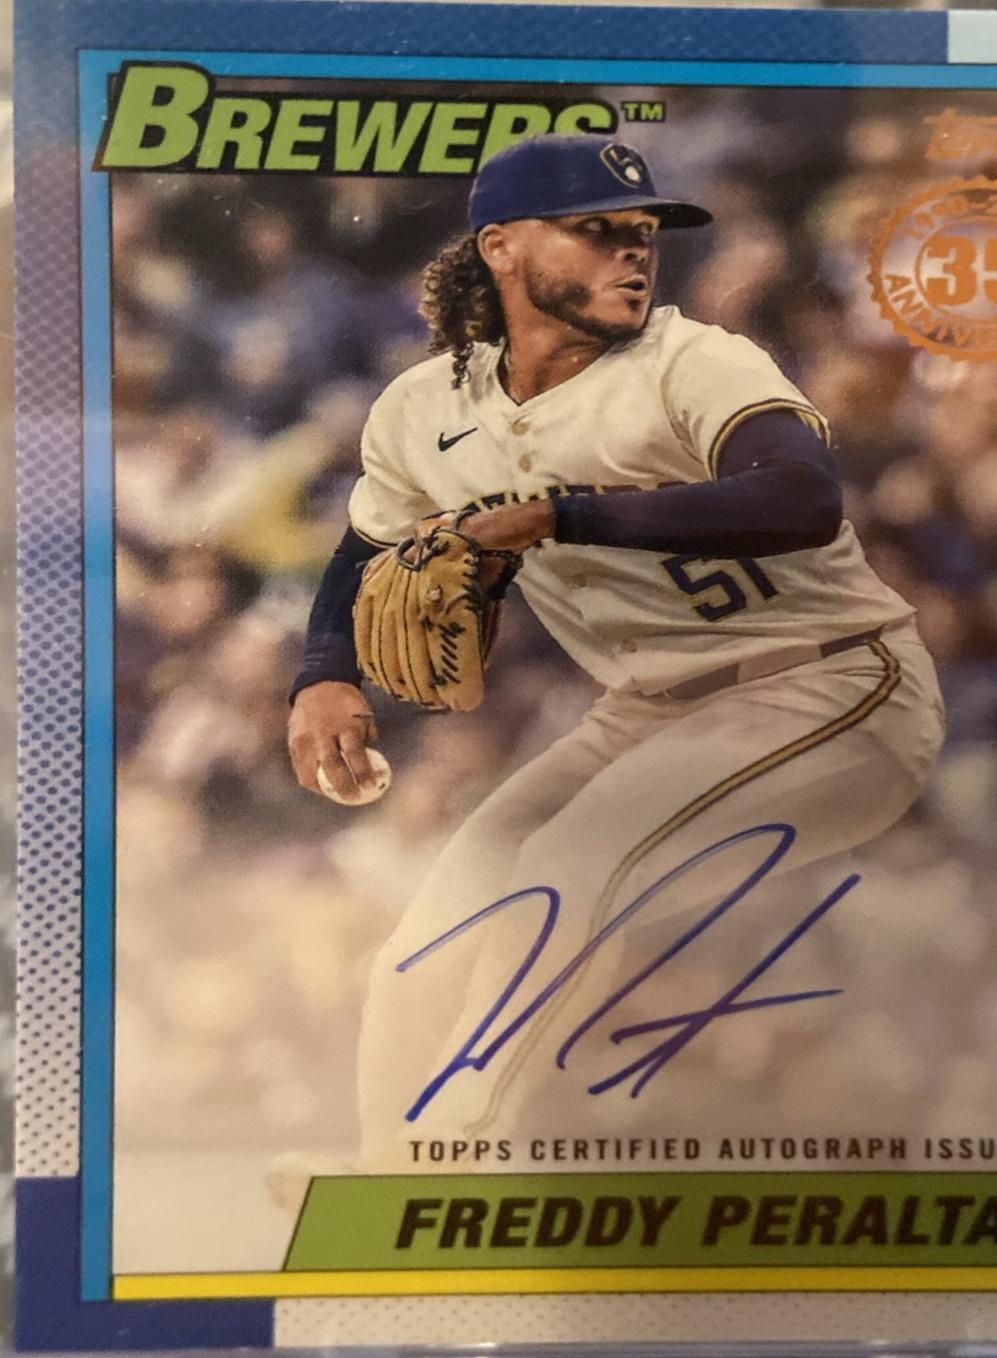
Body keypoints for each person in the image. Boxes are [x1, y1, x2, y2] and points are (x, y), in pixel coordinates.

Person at [286, 134, 945, 1168]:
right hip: (647, 708)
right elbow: (362, 549)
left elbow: (801, 496)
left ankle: (461, 1156)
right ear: (501, 247)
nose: (633, 251)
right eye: (595, 231)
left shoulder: (695, 359)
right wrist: (323, 672)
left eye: (642, 232)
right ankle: (383, 1176)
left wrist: (563, 513)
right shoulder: (422, 409)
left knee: (566, 867)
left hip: (832, 684)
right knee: (439, 922)